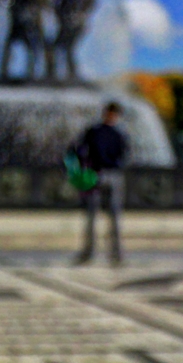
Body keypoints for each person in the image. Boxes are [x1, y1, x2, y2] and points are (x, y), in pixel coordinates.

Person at [74, 101, 128, 265]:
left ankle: (105, 254)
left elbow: (79, 149)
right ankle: (105, 254)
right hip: (104, 173)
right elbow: (124, 155)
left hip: (102, 173)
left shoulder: (102, 132)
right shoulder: (112, 133)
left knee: (107, 215)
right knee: (99, 215)